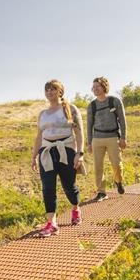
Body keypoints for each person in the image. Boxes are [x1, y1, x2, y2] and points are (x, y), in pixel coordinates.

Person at [31, 79, 85, 237]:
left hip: (66, 151)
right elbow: (39, 136)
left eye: (53, 89)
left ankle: (75, 208)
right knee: (48, 188)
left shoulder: (70, 109)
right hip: (46, 152)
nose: (49, 92)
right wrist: (34, 156)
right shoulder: (43, 114)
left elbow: (79, 132)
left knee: (69, 186)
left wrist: (79, 153)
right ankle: (51, 223)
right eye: (47, 89)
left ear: (60, 91)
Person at [86, 76, 127, 201]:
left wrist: (123, 138)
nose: (95, 89)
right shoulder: (92, 106)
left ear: (104, 87)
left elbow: (122, 120)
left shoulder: (114, 101)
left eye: (97, 86)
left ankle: (118, 181)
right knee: (98, 167)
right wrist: (89, 142)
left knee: (117, 165)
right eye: (93, 87)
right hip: (97, 139)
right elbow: (89, 124)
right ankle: (101, 192)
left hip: (113, 137)